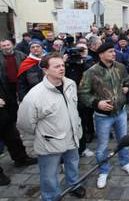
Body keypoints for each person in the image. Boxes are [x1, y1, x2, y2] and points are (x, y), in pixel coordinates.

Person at [17, 53, 85, 201]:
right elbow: (24, 123)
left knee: (73, 163)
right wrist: (44, 133)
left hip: (72, 135)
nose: (61, 68)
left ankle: (74, 184)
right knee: (48, 173)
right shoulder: (35, 95)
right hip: (50, 142)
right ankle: (51, 196)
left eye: (62, 65)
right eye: (56, 66)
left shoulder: (71, 84)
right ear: (45, 70)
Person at [78, 42, 129, 189]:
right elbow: (83, 93)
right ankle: (103, 170)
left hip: (121, 112)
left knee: (122, 140)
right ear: (101, 54)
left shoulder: (120, 67)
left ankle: (125, 162)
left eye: (114, 51)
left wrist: (127, 86)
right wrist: (97, 103)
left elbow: (128, 79)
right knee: (102, 146)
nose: (113, 53)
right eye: (110, 51)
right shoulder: (91, 72)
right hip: (103, 117)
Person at [64, 42, 95, 157]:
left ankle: (82, 148)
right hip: (68, 99)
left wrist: (83, 62)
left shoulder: (87, 62)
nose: (77, 54)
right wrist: (63, 62)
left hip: (82, 98)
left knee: (81, 123)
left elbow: (92, 74)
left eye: (81, 50)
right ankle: (70, 150)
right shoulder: (65, 64)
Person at [0, 39, 26, 121]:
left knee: (24, 101)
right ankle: (14, 122)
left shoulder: (21, 55)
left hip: (20, 83)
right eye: (4, 46)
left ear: (12, 45)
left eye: (8, 45)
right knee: (11, 104)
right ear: (1, 47)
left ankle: (24, 119)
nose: (6, 47)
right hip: (6, 85)